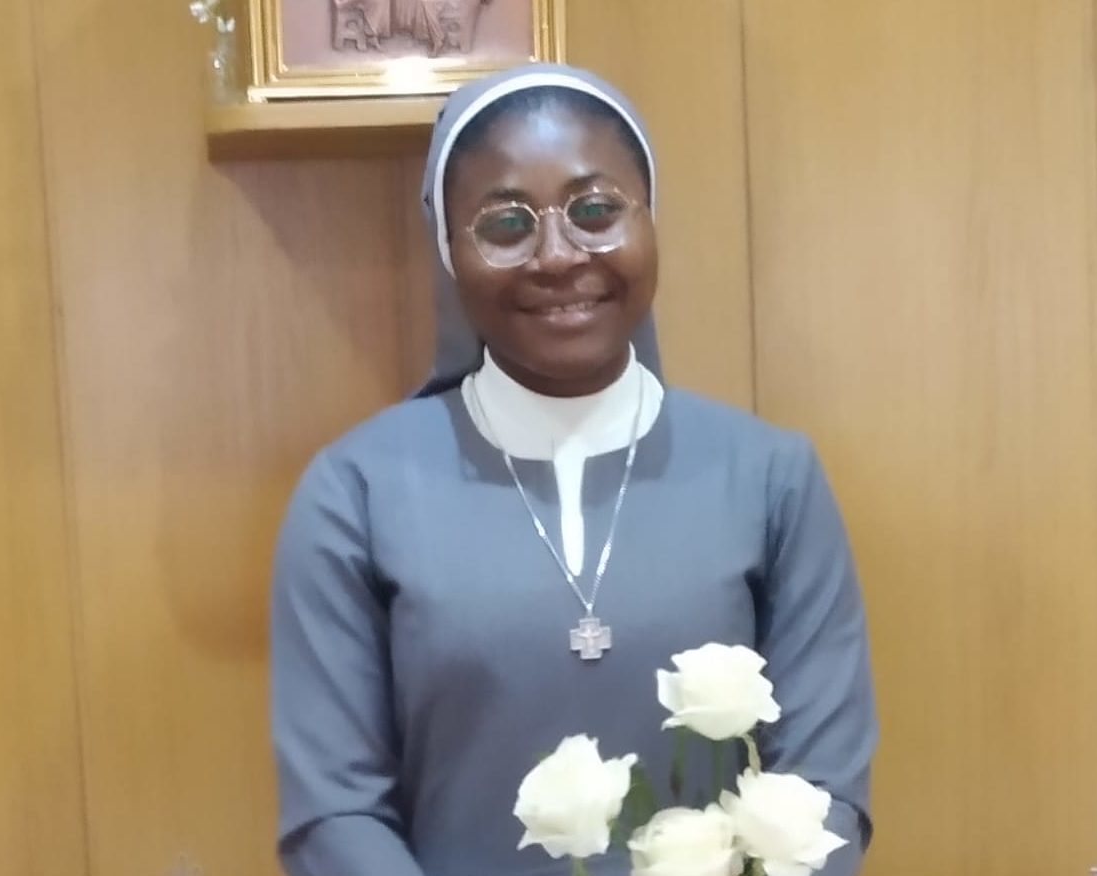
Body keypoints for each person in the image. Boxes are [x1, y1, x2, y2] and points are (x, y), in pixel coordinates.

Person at [270, 63, 876, 876]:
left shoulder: (772, 478)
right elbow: (333, 810)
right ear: (449, 251)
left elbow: (824, 787)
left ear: (650, 220)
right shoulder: (356, 493)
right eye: (506, 225)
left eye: (595, 212)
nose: (557, 256)